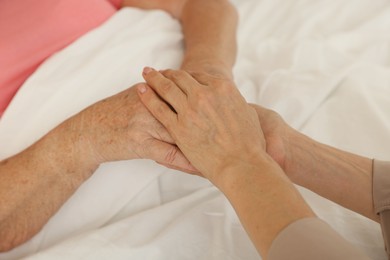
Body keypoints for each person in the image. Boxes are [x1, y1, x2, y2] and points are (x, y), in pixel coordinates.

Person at [0, 0, 238, 252]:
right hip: (67, 169)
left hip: (197, 86)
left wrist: (204, 77)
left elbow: (200, 4)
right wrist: (89, 133)